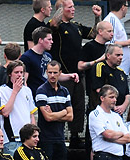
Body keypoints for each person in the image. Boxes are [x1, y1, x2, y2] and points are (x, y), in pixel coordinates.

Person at [49, 0, 101, 147]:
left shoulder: (76, 26)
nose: (73, 9)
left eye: (73, 6)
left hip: (78, 74)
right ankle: (58, 134)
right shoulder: (57, 27)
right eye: (70, 7)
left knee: (78, 106)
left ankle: (75, 135)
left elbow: (93, 33)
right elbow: (53, 24)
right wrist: (59, 8)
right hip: (62, 74)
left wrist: (97, 17)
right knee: (61, 105)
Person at [34, 59, 74, 160]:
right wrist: (63, 112)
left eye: (55, 72)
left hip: (60, 138)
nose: (52, 75)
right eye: (49, 72)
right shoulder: (41, 90)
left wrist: (56, 114)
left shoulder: (65, 91)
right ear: (46, 72)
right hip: (46, 138)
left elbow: (71, 117)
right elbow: (48, 118)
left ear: (60, 73)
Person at [89, 85, 130, 160]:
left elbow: (128, 138)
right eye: (111, 97)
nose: (115, 100)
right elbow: (107, 135)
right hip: (104, 158)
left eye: (115, 97)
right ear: (102, 98)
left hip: (119, 159)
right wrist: (119, 133)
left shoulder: (116, 116)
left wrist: (114, 136)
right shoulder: (95, 114)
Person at [0, 60, 37, 156]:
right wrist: (15, 91)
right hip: (12, 139)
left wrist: (33, 134)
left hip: (27, 140)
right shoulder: (2, 90)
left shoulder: (27, 90)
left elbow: (31, 115)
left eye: (21, 72)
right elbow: (5, 112)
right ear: (10, 74)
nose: (19, 75)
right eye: (16, 72)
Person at [104, 0, 130, 81]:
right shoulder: (111, 19)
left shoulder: (117, 20)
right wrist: (128, 42)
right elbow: (109, 43)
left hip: (122, 70)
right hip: (116, 70)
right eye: (127, 6)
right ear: (123, 7)